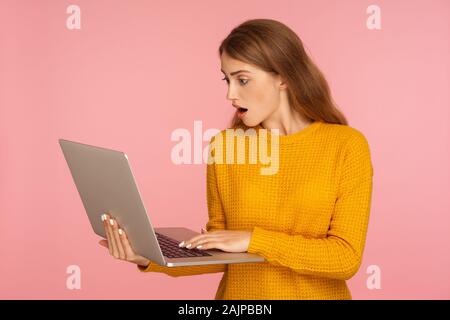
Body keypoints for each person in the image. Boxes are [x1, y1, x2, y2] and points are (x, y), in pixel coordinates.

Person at [99, 18, 374, 300]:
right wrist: (148, 256)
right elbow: (220, 250)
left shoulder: (347, 146)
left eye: (242, 79)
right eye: (227, 79)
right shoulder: (225, 146)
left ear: (283, 77)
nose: (231, 94)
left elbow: (344, 258)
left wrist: (254, 239)